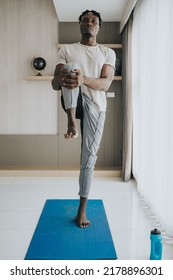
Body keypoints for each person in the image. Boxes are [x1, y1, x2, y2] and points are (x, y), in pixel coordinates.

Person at [52, 10, 116, 228]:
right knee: (70, 67)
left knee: (88, 158)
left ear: (98, 27)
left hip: (96, 107)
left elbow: (105, 84)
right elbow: (54, 83)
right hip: (73, 104)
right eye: (85, 20)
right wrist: (63, 77)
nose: (89, 23)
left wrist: (83, 79)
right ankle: (71, 123)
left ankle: (82, 211)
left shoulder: (107, 52)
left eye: (94, 21)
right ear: (79, 25)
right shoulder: (67, 50)